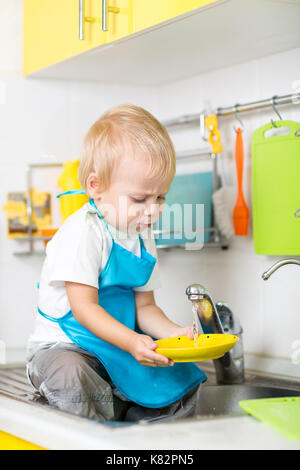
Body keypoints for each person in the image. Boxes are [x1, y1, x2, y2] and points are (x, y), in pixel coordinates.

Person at [26, 104, 206, 423]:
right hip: (66, 347)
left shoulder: (140, 233)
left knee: (182, 379)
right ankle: (100, 413)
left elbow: (145, 308)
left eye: (161, 198)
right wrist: (132, 341)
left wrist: (176, 334)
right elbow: (84, 309)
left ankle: (130, 420)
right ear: (96, 187)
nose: (153, 211)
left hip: (116, 346)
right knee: (72, 376)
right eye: (140, 199)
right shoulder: (83, 231)